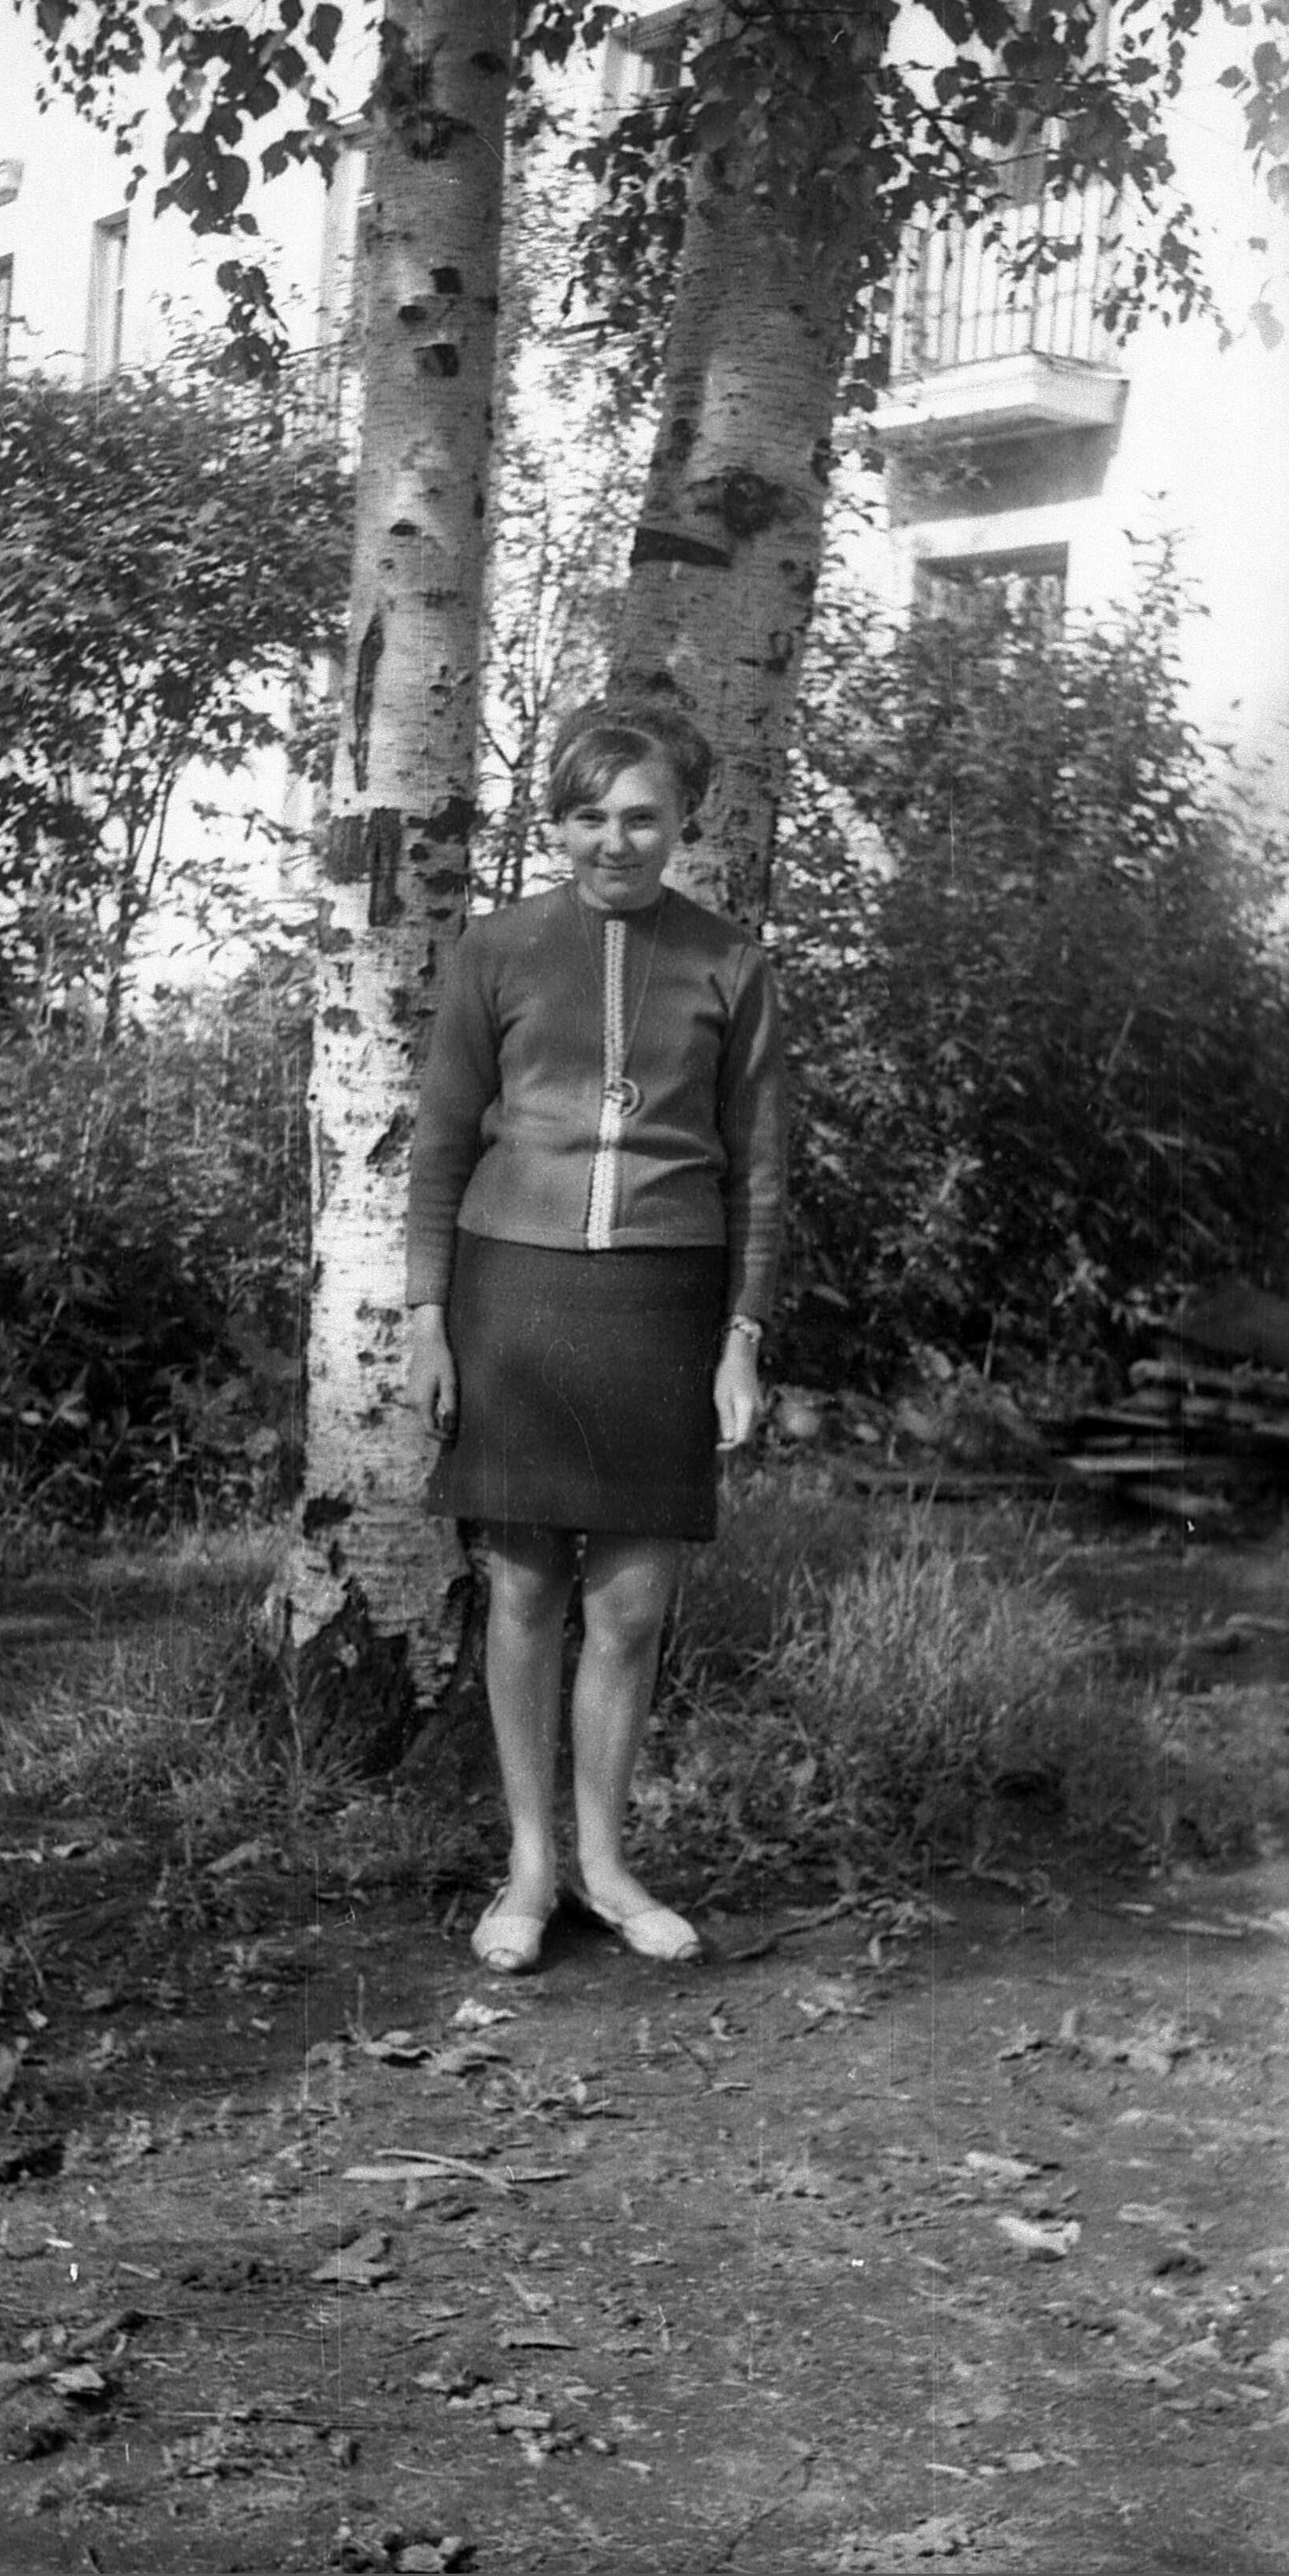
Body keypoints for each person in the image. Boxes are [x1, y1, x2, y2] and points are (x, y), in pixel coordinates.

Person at [404, 698, 786, 1972]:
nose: (613, 843)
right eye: (587, 818)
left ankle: (608, 1867)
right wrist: (427, 1319)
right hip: (514, 1292)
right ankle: (528, 1868)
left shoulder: (731, 964)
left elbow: (762, 1170)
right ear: (557, 824)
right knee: (522, 1584)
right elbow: (441, 1143)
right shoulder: (498, 950)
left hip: (664, 1301)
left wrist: (741, 1335)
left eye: (640, 818)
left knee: (630, 1605)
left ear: (685, 822)